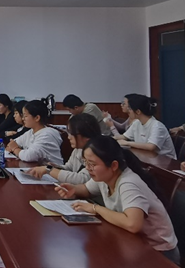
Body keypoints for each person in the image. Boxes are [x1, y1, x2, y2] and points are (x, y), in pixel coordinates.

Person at [56, 136, 179, 265]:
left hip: (159, 252)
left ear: (114, 165)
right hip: (133, 243)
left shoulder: (128, 184)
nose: (87, 168)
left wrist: (95, 209)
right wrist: (74, 189)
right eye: (85, 162)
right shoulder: (105, 177)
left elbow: (133, 224)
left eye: (92, 164)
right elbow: (86, 189)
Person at [26, 113, 101, 184]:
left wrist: (48, 170)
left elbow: (82, 179)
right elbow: (69, 168)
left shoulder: (96, 153)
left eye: (72, 133)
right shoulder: (78, 149)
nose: (69, 137)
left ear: (86, 135)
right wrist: (54, 167)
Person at [112, 94, 176, 158]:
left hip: (165, 161)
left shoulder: (157, 126)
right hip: (147, 157)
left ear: (138, 111)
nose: (129, 111)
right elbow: (124, 136)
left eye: (130, 109)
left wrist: (127, 143)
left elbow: (151, 146)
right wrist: (110, 139)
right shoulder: (137, 123)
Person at [5, 99, 63, 165]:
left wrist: (15, 149)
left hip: (52, 170)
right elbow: (13, 143)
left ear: (37, 118)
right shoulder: (31, 131)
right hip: (38, 168)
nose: (23, 119)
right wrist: (13, 147)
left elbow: (28, 156)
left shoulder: (47, 135)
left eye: (25, 116)